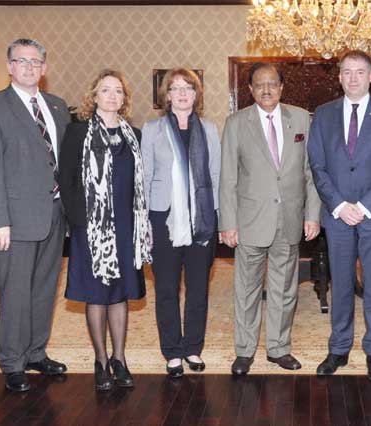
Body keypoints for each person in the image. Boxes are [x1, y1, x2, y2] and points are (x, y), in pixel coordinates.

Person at [0, 38, 72, 392]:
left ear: (44, 68)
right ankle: (12, 360)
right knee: (15, 292)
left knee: (44, 288)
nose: (29, 67)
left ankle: (35, 353)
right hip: (12, 220)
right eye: (21, 61)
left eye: (35, 62)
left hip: (55, 214)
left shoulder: (58, 107)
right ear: (9, 66)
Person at [307, 50, 371, 383]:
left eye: (359, 72)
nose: (352, 78)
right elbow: (317, 166)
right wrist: (338, 205)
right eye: (346, 72)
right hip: (336, 216)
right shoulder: (322, 114)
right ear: (339, 77)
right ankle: (339, 348)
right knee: (342, 284)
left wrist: (363, 207)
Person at [219, 63, 321, 375]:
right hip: (249, 220)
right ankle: (245, 351)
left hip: (289, 219)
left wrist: (312, 215)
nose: (266, 90)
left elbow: (311, 173)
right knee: (247, 290)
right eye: (260, 85)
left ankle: (278, 348)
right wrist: (228, 223)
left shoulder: (302, 118)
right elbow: (228, 178)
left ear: (281, 87)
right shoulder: (236, 123)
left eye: (272, 84)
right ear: (249, 90)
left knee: (284, 289)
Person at [58, 69, 151, 391]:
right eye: (105, 90)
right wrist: (80, 223)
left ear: (124, 98)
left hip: (126, 226)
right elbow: (66, 181)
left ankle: (119, 358)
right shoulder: (77, 133)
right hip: (91, 228)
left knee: (120, 293)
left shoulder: (134, 135)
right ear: (93, 96)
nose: (112, 96)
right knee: (97, 293)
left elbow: (140, 184)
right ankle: (100, 360)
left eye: (118, 91)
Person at [141, 68, 220, 378]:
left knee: (198, 288)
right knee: (167, 287)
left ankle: (192, 348)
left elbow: (215, 175)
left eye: (188, 87)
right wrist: (144, 220)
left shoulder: (210, 130)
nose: (183, 93)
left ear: (196, 94)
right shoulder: (152, 130)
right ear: (167, 96)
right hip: (163, 218)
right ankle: (172, 351)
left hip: (201, 218)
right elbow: (145, 177)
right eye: (175, 88)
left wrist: (215, 217)